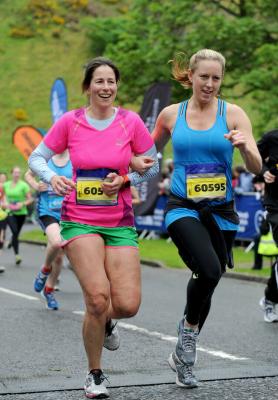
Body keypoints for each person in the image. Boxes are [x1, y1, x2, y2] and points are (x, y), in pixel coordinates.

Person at [28, 57, 158, 399]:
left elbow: (151, 166)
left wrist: (127, 178)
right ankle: (95, 374)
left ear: (117, 86)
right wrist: (52, 177)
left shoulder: (130, 122)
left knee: (127, 304)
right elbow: (36, 157)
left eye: (111, 82)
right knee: (98, 299)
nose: (105, 87)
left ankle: (107, 320)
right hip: (79, 219)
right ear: (88, 87)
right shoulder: (71, 122)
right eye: (98, 81)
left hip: (119, 221)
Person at [137, 49, 262, 388]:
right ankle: (189, 336)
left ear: (222, 80)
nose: (209, 84)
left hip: (221, 211)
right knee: (208, 269)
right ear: (190, 76)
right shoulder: (170, 115)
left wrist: (246, 147)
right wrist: (129, 179)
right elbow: (147, 158)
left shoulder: (233, 114)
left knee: (211, 276)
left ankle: (183, 352)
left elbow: (256, 167)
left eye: (216, 78)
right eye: (203, 76)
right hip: (182, 207)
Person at [25, 150, 72, 310]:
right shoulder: (46, 157)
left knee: (58, 258)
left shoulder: (75, 157)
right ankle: (44, 270)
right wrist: (36, 185)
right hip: (47, 211)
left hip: (68, 212)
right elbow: (28, 175)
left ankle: (49, 291)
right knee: (57, 242)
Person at [256, 129, 278, 323]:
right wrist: (264, 172)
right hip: (276, 204)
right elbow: (254, 158)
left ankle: (270, 297)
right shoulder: (272, 137)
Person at [3, 166, 33, 265]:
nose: (17, 174)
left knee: (16, 234)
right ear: (12, 174)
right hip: (9, 212)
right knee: (15, 232)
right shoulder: (6, 185)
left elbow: (30, 199)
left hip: (21, 213)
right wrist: (4, 203)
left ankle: (12, 240)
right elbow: (2, 196)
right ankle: (17, 256)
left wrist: (23, 204)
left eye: (18, 173)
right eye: (15, 172)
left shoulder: (24, 185)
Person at [0, 172, 8, 273]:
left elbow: (4, 200)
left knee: (1, 241)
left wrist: (5, 204)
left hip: (2, 216)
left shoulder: (2, 188)